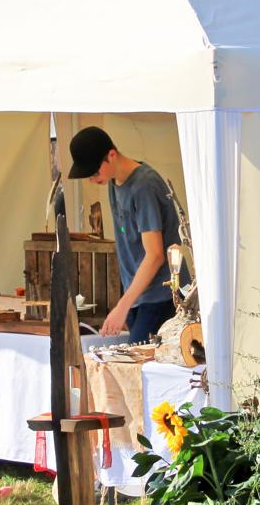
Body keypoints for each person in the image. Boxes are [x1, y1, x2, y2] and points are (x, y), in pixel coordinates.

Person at [65, 126, 181, 343]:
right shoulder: (114, 182)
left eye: (95, 173)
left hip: (161, 296)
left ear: (111, 155)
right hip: (139, 297)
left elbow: (155, 255)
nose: (92, 180)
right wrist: (128, 303)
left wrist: (122, 305)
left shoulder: (143, 186)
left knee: (137, 361)